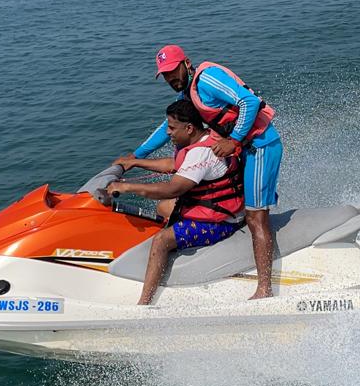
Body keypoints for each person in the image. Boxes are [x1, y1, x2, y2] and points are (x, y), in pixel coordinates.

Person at [118, 45, 283, 300]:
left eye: (173, 71)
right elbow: (167, 128)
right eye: (164, 75)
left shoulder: (206, 79)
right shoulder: (186, 93)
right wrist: (135, 157)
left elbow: (249, 102)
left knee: (256, 216)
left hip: (260, 145)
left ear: (186, 63)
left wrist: (235, 140)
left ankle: (264, 289)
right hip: (241, 147)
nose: (170, 78)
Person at [108, 100, 245, 305]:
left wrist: (127, 187)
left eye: (172, 128)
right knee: (163, 207)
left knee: (161, 240)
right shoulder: (204, 137)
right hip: (213, 208)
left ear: (189, 128)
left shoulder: (201, 153)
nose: (168, 133)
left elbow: (174, 188)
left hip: (221, 222)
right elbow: (174, 164)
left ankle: (144, 303)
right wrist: (134, 162)